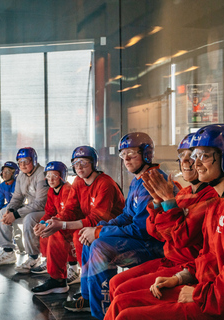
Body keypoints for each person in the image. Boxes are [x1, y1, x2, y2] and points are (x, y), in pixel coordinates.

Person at [108, 124, 224, 320]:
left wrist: (197, 293)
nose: (194, 163)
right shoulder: (221, 199)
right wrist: (180, 278)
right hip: (204, 286)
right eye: (192, 156)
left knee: (127, 315)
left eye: (204, 156)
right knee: (122, 302)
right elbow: (208, 257)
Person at [64, 132, 171, 319]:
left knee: (100, 246)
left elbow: (142, 229)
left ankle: (104, 312)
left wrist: (100, 232)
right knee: (91, 240)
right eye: (123, 154)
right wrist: (99, 229)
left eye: (132, 153)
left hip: (154, 246)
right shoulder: (139, 179)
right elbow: (127, 215)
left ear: (146, 153)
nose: (126, 159)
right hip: (139, 240)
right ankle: (89, 298)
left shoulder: (152, 180)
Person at [105, 133, 218, 310]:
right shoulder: (183, 192)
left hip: (187, 265)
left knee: (122, 298)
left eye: (194, 156)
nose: (187, 162)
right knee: (115, 283)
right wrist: (157, 202)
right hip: (169, 260)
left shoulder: (210, 197)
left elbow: (181, 238)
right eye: (182, 156)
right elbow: (155, 231)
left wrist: (168, 201)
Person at [32, 146, 125, 295]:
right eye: (75, 163)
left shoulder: (105, 183)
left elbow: (98, 218)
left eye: (83, 162)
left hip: (111, 228)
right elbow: (70, 209)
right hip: (90, 225)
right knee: (57, 232)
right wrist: (51, 222)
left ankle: (90, 287)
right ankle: (58, 281)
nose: (79, 167)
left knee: (78, 236)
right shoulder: (78, 181)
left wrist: (61, 224)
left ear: (93, 163)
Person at [0, 147, 49, 271]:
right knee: (2, 213)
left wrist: (16, 214)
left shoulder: (42, 174)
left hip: (46, 210)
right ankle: (8, 252)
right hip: (32, 208)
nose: (22, 165)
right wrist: (10, 210)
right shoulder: (21, 175)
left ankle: (34, 257)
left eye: (26, 161)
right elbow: (17, 197)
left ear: (33, 160)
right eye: (20, 162)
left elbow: (40, 203)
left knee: (29, 218)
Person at [30, 161, 80, 294]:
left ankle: (59, 278)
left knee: (53, 232)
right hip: (60, 222)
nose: (50, 179)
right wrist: (41, 223)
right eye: (48, 175)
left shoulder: (68, 189)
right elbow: (49, 211)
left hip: (71, 223)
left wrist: (49, 224)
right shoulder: (52, 190)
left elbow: (68, 212)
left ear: (62, 176)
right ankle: (52, 266)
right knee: (44, 231)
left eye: (55, 176)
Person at [0, 161, 24, 255]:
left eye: (8, 172)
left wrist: (2, 209)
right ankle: (5, 247)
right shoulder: (2, 185)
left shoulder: (18, 184)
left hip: (20, 207)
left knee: (3, 213)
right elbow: (0, 201)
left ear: (14, 173)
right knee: (0, 214)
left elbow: (17, 201)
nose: (4, 174)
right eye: (3, 172)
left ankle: (9, 249)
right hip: (9, 208)